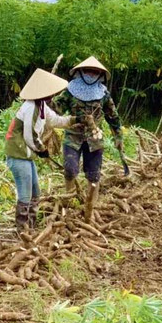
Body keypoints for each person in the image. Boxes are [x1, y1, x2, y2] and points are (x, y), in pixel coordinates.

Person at [5, 69, 75, 230]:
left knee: (36, 192)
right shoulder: (31, 107)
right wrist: (41, 149)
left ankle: (31, 226)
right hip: (18, 154)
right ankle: (23, 230)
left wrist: (74, 120)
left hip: (26, 155)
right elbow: (29, 135)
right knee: (25, 194)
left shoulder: (42, 105)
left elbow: (55, 120)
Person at [53, 56, 123, 213]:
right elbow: (56, 109)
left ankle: (92, 206)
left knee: (93, 175)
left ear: (100, 74)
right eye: (88, 71)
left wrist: (118, 136)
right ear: (81, 72)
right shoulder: (70, 91)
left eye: (95, 72)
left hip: (94, 138)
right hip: (72, 136)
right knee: (70, 169)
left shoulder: (103, 94)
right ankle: (69, 203)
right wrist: (43, 104)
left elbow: (112, 116)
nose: (91, 74)